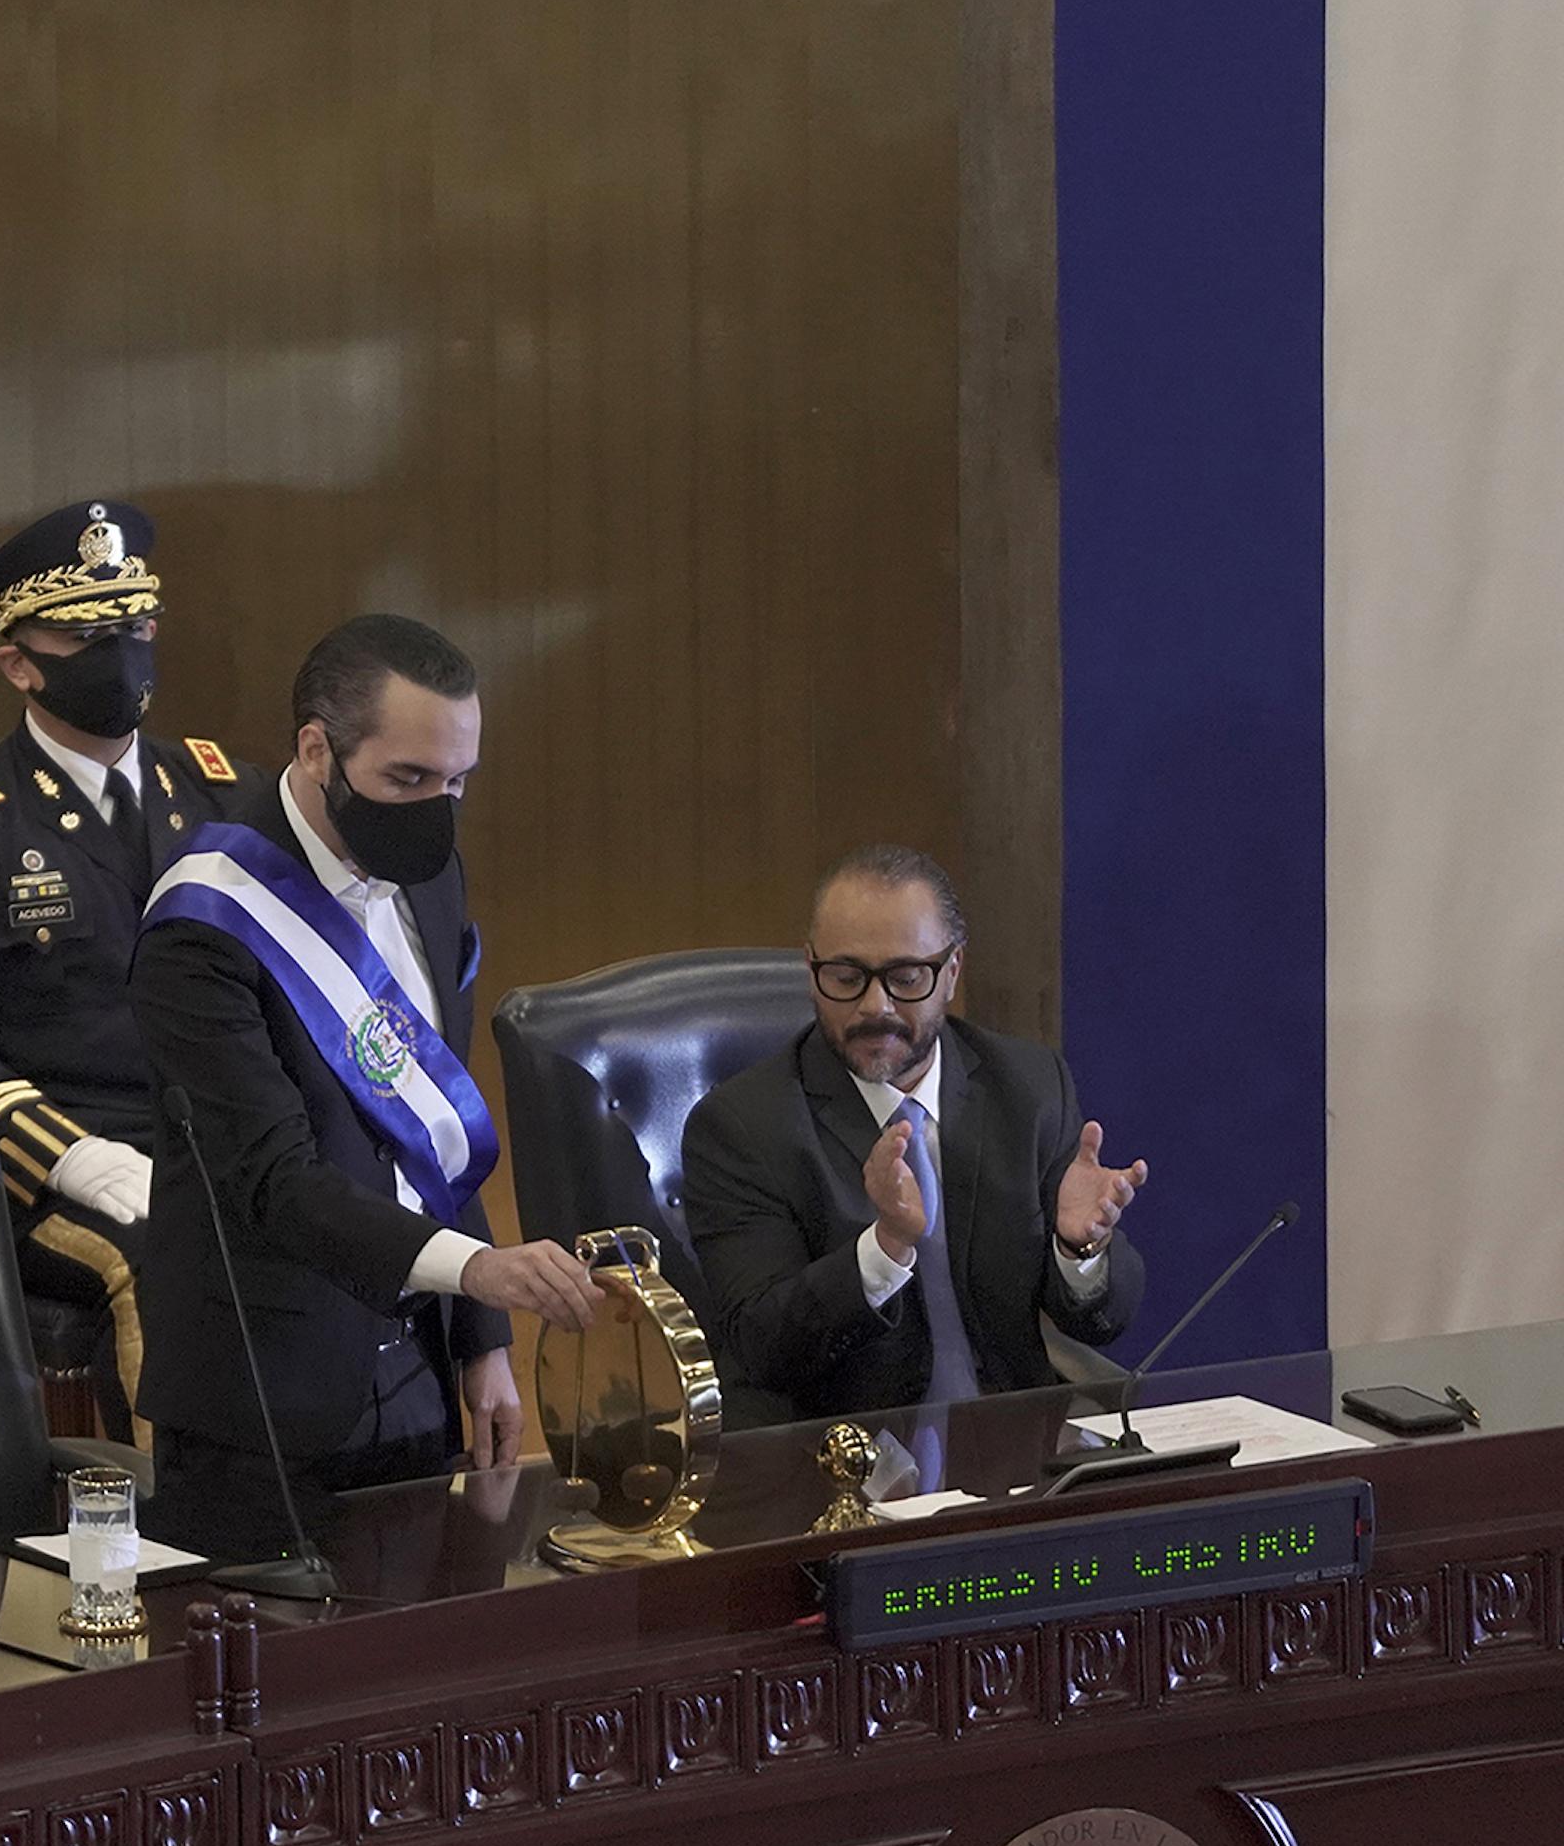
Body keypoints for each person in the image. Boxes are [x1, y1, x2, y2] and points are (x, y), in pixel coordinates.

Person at [131, 614, 600, 1545]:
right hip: (266, 1395)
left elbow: (437, 1125)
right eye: (408, 779)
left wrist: (481, 1342)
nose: (435, 808)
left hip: (419, 1370)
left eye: (457, 782)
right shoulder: (202, 920)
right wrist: (484, 1271)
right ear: (317, 751)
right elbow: (272, 1180)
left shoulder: (430, 876)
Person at [0, 499, 257, 1442]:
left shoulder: (224, 792)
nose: (124, 655)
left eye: (135, 627)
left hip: (226, 1136)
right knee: (164, 1260)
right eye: (89, 637)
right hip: (54, 1171)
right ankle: (177, 1548)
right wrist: (70, 1156)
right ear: (18, 663)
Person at [681, 844, 1148, 1433]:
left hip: (1009, 1449)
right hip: (837, 1462)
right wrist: (886, 1248)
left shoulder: (1027, 1088)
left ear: (951, 971)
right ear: (810, 969)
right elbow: (761, 1348)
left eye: (905, 978)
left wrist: (1079, 1251)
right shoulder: (743, 1127)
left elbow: (1100, 1322)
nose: (875, 1007)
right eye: (846, 977)